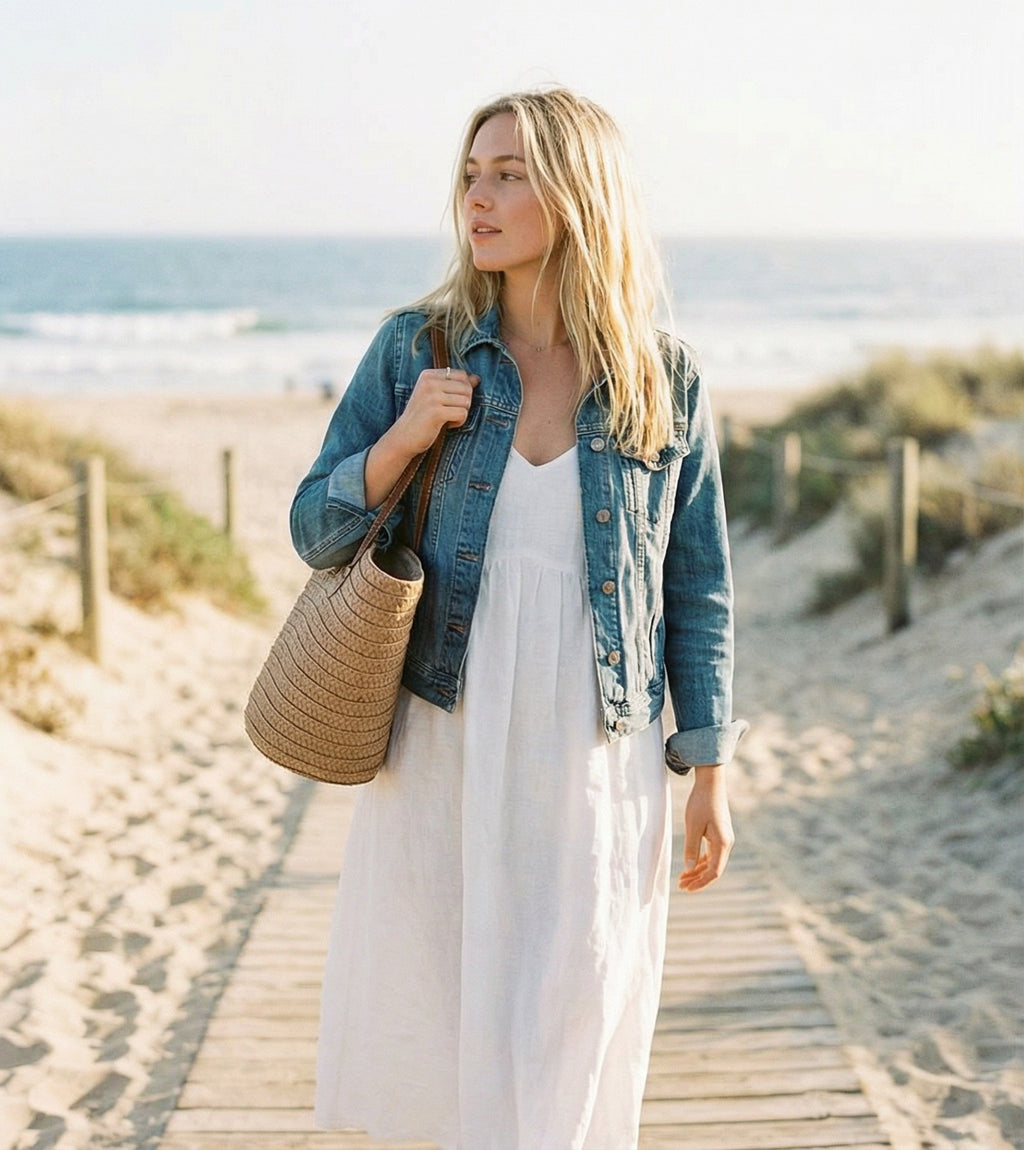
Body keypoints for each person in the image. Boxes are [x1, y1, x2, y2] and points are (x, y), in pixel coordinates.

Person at [289, 88, 747, 1150]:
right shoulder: (418, 347)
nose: (478, 198)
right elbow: (315, 527)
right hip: (445, 725)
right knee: (437, 1003)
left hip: (598, 746)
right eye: (470, 174)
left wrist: (711, 768)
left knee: (572, 1007)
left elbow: (699, 584)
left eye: (509, 173)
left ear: (579, 192)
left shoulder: (659, 377)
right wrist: (403, 439)